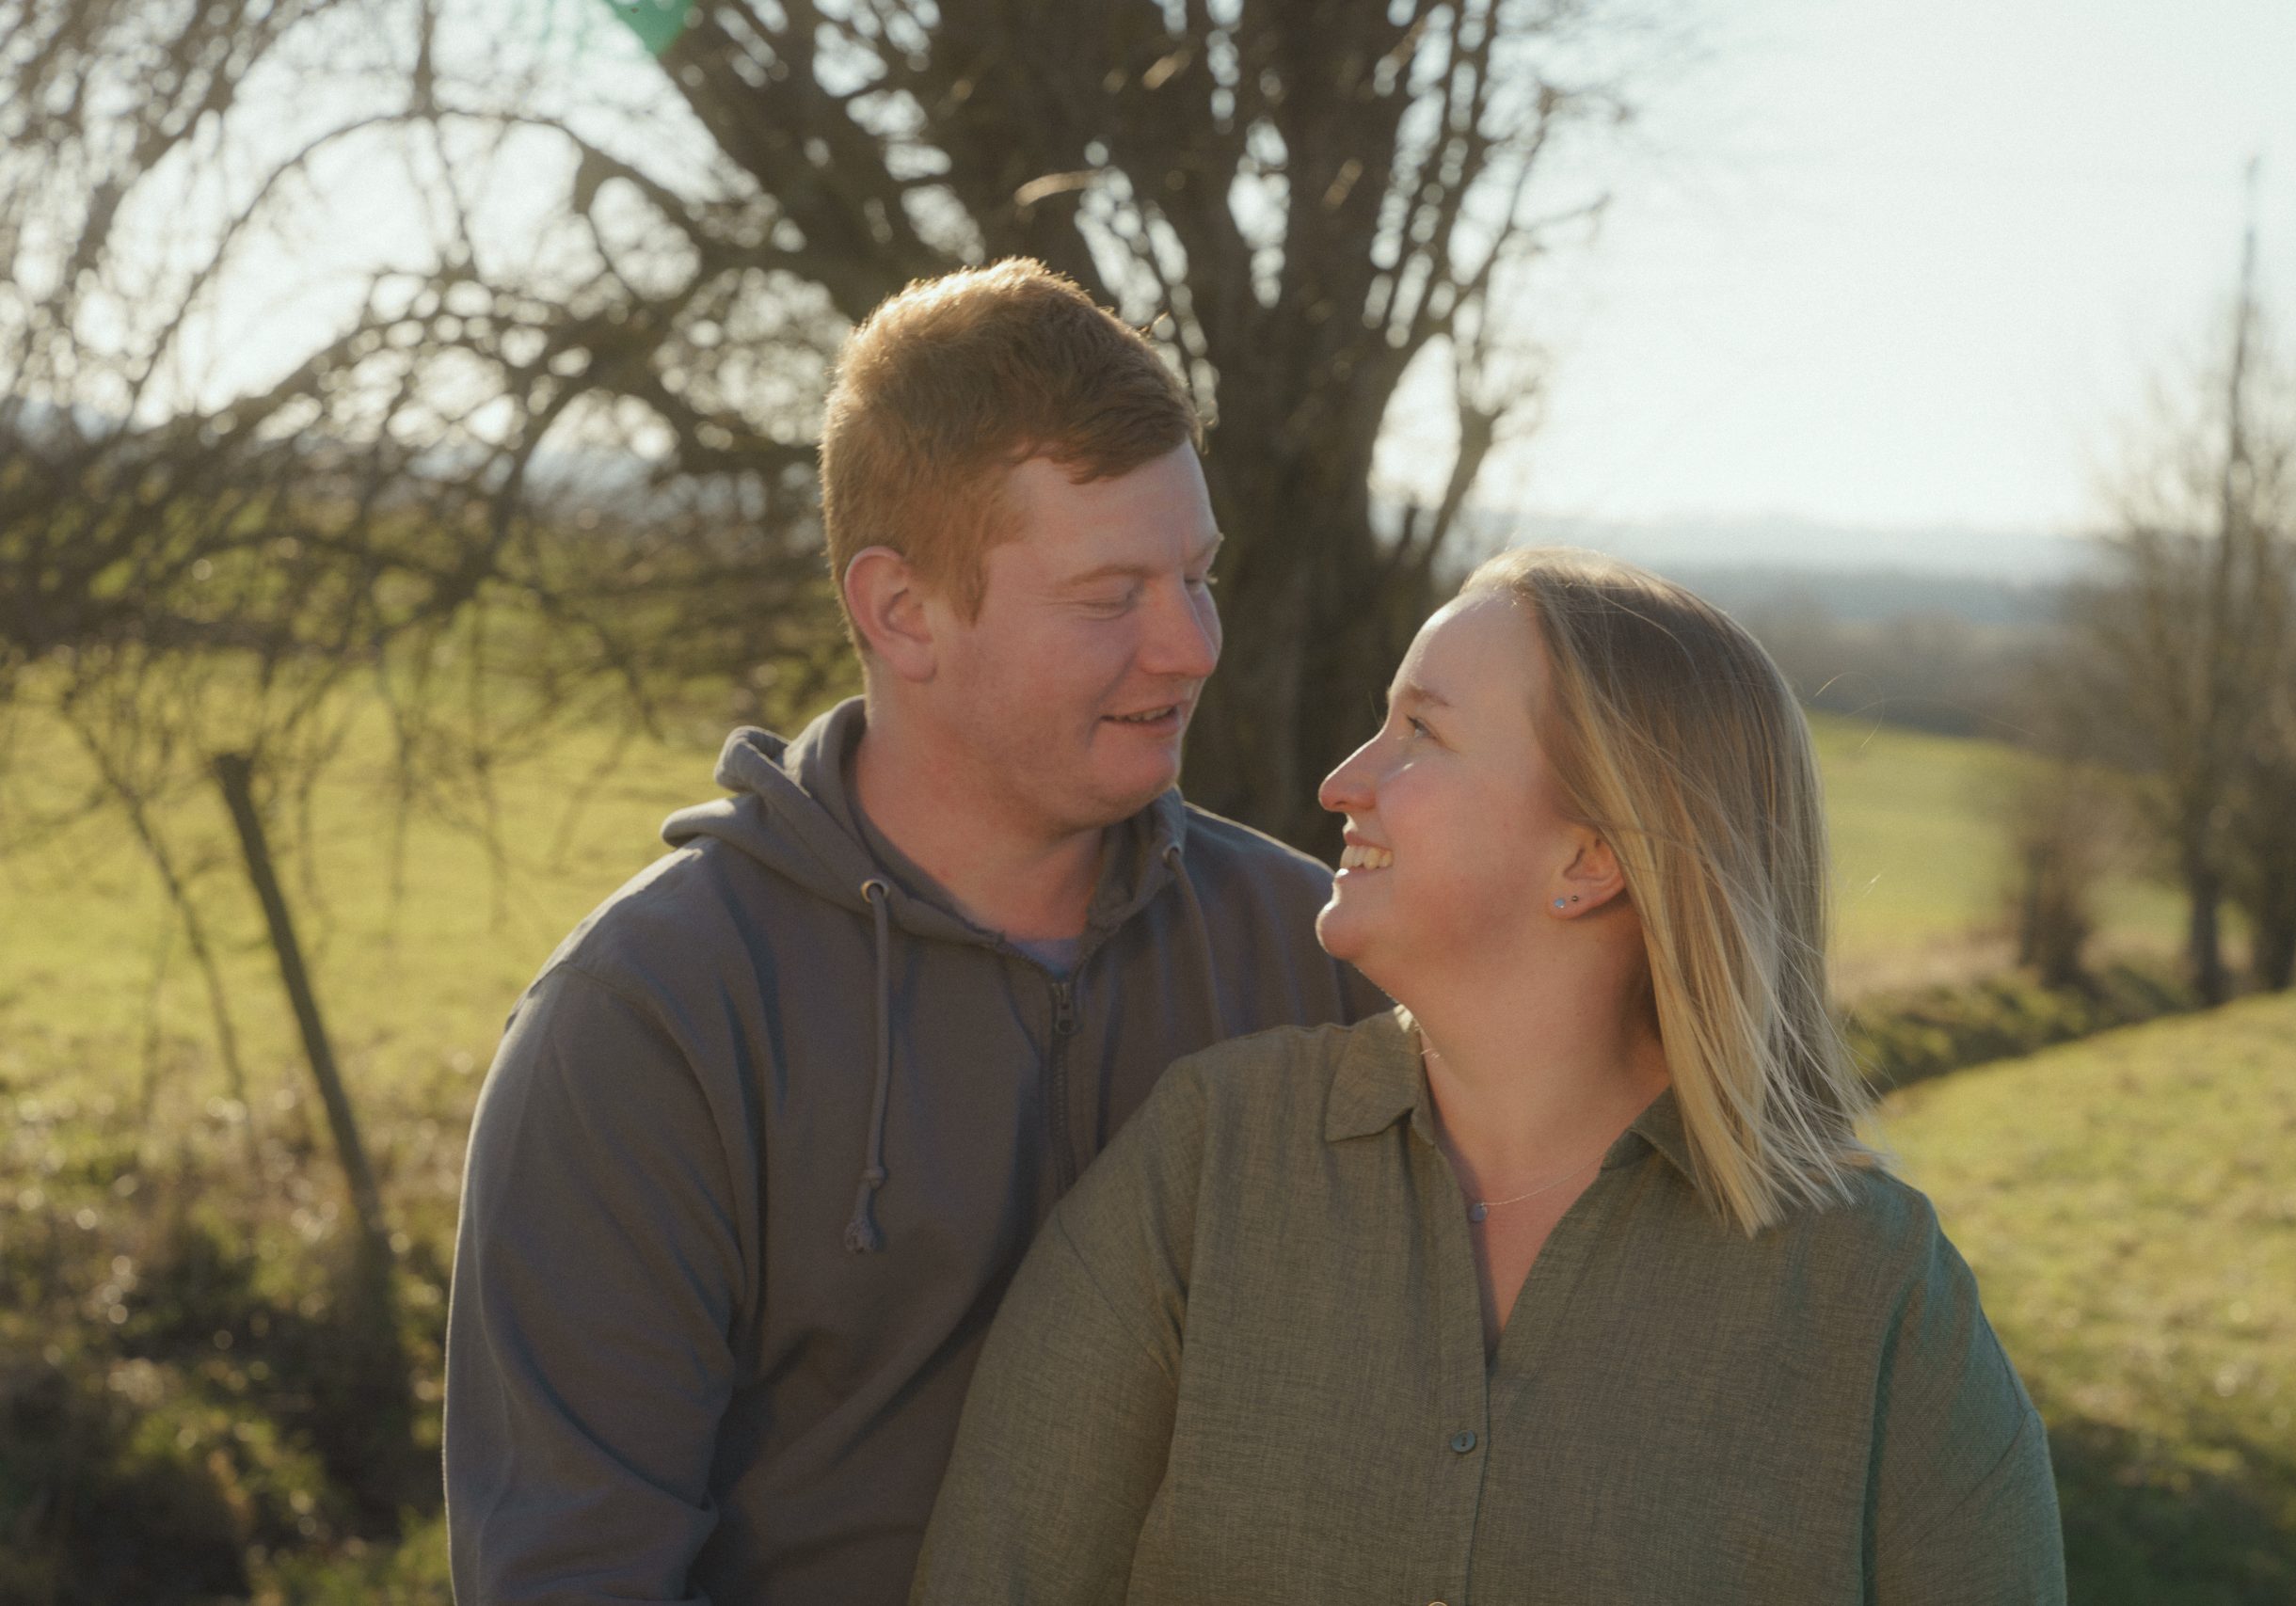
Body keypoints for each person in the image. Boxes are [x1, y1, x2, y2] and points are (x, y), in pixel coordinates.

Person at [443, 259, 1383, 1605]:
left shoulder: (1319, 955)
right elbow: (571, 1570)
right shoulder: (654, 1020)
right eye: (1111, 594)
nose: (1190, 646)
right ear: (902, 610)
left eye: (1199, 575)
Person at [914, 548, 2067, 1604]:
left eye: (1419, 730)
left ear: (1589, 858)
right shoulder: (1213, 1163)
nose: (1342, 781)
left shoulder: (1872, 1296)